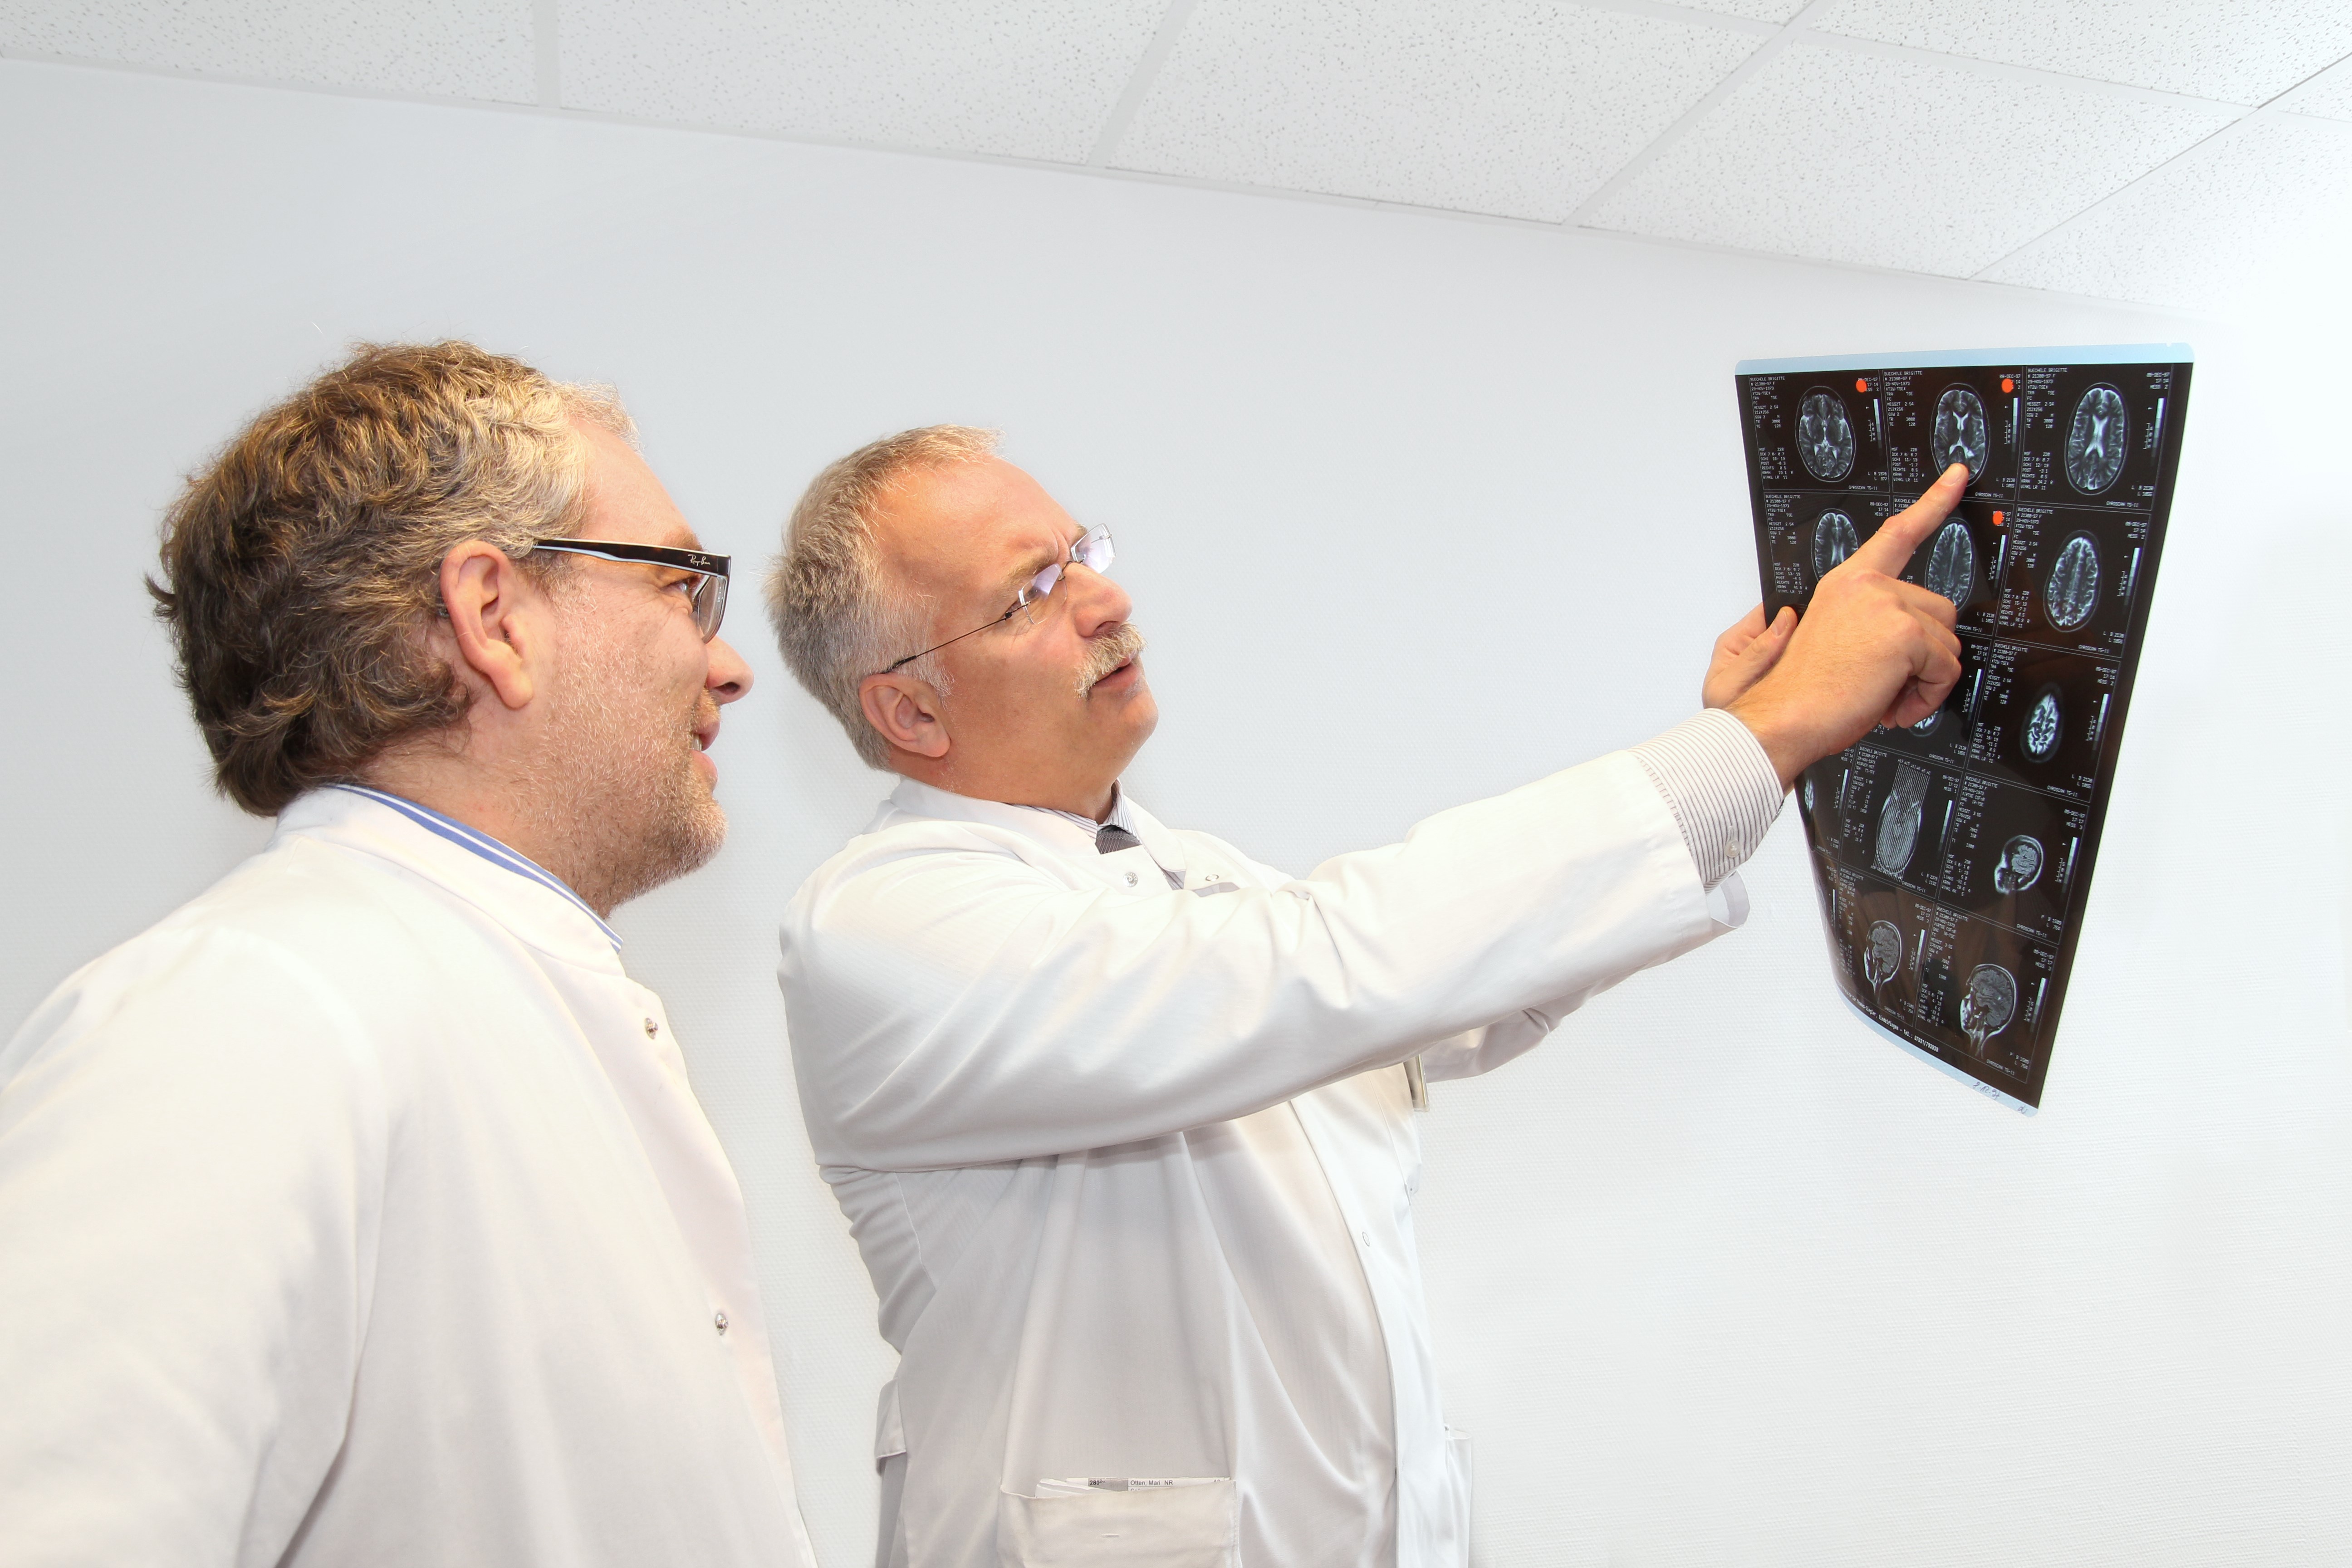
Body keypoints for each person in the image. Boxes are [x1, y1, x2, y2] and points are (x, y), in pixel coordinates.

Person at [766, 426, 1966, 1568]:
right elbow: (1342, 966)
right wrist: (1766, 734)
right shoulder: (881, 925)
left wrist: (1748, 755)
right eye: (1033, 593)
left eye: (1086, 553)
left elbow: (1451, 993)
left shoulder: (1199, 883)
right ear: (909, 708)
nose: (1107, 599)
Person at [0, 343, 817, 1567]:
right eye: (679, 587)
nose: (730, 662)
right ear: (493, 620)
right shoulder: (252, 1009)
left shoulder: (485, 999)